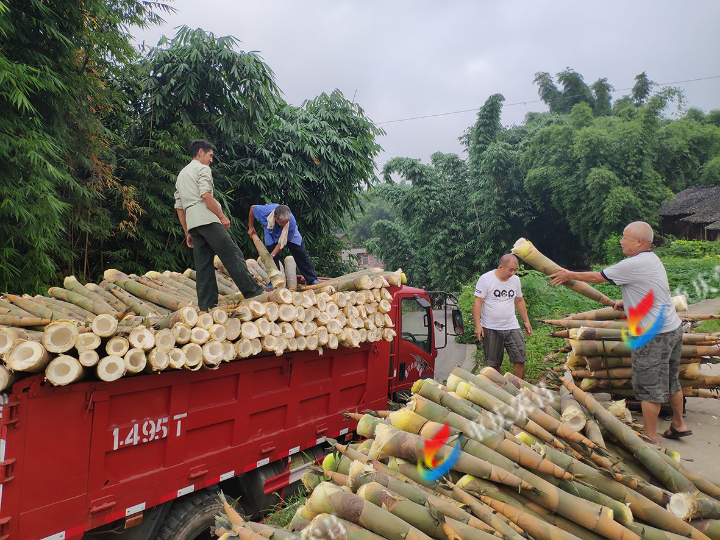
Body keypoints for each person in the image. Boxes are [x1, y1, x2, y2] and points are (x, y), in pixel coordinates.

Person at [548, 221, 690, 445]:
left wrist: (567, 274)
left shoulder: (631, 264)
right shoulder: (651, 260)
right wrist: (628, 303)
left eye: (625, 237)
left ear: (639, 242)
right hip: (672, 329)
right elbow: (650, 291)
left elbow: (597, 277)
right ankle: (679, 424)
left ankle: (650, 441)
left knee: (648, 387)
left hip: (652, 335)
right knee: (672, 380)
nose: (621, 241)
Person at [174, 139, 264, 311]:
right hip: (207, 219)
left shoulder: (182, 175)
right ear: (200, 152)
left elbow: (179, 208)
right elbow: (206, 196)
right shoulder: (202, 169)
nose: (211, 160)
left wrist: (187, 232)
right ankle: (253, 292)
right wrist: (222, 217)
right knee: (232, 254)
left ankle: (207, 305)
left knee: (203, 264)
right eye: (210, 155)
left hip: (193, 224)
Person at [473, 254, 533, 379]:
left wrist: (526, 321)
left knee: (520, 359)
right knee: (493, 364)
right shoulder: (486, 279)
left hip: (512, 326)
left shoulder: (515, 280)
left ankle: (518, 389)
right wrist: (478, 325)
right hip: (491, 328)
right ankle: (500, 390)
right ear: (501, 267)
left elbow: (519, 301)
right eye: (510, 270)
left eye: (515, 270)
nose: (513, 273)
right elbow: (477, 302)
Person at [248, 203, 319, 285]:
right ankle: (274, 282)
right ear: (275, 217)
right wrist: (251, 227)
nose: (284, 225)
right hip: (271, 231)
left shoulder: (291, 222)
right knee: (272, 259)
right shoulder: (264, 211)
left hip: (288, 234)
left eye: (286, 222)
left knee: (300, 253)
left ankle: (311, 279)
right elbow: (252, 208)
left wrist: (273, 254)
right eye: (282, 223)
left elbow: (281, 243)